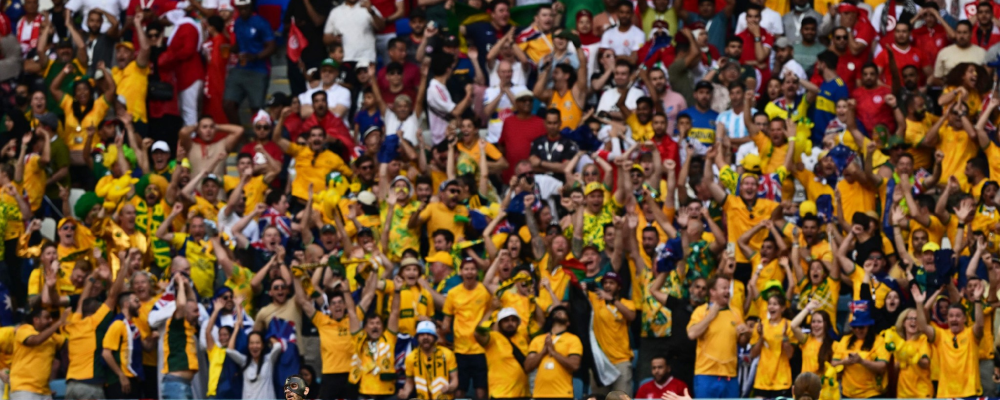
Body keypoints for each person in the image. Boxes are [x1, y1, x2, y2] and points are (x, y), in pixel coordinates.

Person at [686, 275, 746, 398]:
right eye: (724, 288)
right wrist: (710, 316)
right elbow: (691, 334)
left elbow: (743, 342)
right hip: (706, 375)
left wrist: (747, 333)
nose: (727, 291)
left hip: (730, 376)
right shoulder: (701, 311)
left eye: (728, 288)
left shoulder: (736, 312)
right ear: (712, 291)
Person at [525, 304, 582, 399]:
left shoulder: (573, 339)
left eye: (563, 312)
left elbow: (574, 365)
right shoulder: (538, 339)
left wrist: (553, 352)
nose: (559, 312)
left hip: (562, 394)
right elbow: (527, 367)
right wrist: (543, 351)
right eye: (556, 311)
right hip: (539, 394)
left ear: (568, 322)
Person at [398, 321, 459, 399]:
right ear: (417, 338)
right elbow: (409, 382)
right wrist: (405, 393)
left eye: (429, 334)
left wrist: (450, 388)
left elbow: (455, 380)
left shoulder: (447, 354)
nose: (425, 337)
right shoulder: (410, 358)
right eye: (422, 334)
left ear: (435, 337)